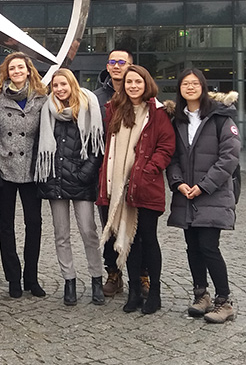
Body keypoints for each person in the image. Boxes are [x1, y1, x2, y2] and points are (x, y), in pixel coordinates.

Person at [97, 65, 175, 315]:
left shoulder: (158, 113)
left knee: (148, 239)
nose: (132, 86)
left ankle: (154, 293)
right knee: (128, 241)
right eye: (129, 82)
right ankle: (133, 292)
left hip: (145, 186)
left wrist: (149, 170)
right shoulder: (116, 109)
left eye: (137, 82)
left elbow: (166, 146)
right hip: (119, 188)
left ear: (146, 84)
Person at [167, 69, 239, 324]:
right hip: (186, 195)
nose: (190, 87)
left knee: (209, 247)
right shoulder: (177, 119)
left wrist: (204, 186)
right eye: (185, 83)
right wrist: (178, 183)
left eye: (195, 83)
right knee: (193, 248)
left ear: (203, 86)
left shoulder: (220, 117)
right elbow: (172, 157)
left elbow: (229, 157)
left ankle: (224, 301)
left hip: (213, 194)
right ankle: (201, 295)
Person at [35, 68, 105, 306]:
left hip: (81, 180)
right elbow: (40, 146)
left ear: (72, 84)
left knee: (88, 231)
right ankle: (69, 281)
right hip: (55, 180)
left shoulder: (88, 107)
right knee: (61, 234)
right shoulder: (48, 110)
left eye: (63, 84)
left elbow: (97, 146)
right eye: (55, 85)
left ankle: (97, 278)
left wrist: (85, 174)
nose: (60, 89)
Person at [0, 51, 48, 298]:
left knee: (34, 224)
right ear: (7, 72)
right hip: (5, 165)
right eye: (12, 68)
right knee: (6, 225)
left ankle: (31, 278)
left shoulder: (42, 98)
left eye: (20, 68)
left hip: (32, 169)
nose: (16, 72)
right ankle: (13, 278)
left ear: (28, 70)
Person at [93, 49, 137, 297]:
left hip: (134, 171)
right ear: (107, 67)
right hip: (105, 174)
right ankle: (113, 273)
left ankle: (141, 275)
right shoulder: (96, 98)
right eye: (113, 62)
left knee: (136, 227)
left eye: (122, 62)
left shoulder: (140, 94)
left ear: (131, 65)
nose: (117, 66)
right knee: (108, 226)